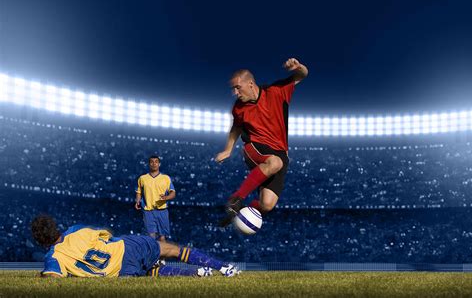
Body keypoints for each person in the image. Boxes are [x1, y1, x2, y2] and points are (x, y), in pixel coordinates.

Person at [215, 58, 308, 226]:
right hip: (255, 147)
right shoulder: (238, 108)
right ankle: (235, 200)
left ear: (250, 83)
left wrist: (298, 67)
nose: (235, 93)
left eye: (238, 87)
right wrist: (228, 149)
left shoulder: (276, 92)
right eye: (233, 89)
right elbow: (236, 128)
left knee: (267, 204)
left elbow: (302, 74)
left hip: (280, 151)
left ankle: (238, 215)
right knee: (275, 162)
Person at [31, 214, 240, 278]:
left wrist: (43, 275)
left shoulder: (54, 257)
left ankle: (200, 273)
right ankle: (223, 267)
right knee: (173, 250)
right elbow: (106, 235)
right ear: (55, 227)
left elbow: (53, 277)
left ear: (41, 241)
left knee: (150, 272)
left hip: (122, 271)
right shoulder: (76, 229)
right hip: (128, 247)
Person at [135, 155, 175, 242]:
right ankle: (153, 255)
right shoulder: (142, 178)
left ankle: (162, 255)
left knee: (162, 237)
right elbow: (138, 192)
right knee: (151, 237)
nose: (154, 164)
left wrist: (166, 197)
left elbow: (173, 193)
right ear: (149, 164)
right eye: (152, 162)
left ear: (159, 164)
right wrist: (137, 201)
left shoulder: (166, 178)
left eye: (156, 162)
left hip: (162, 210)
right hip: (148, 211)